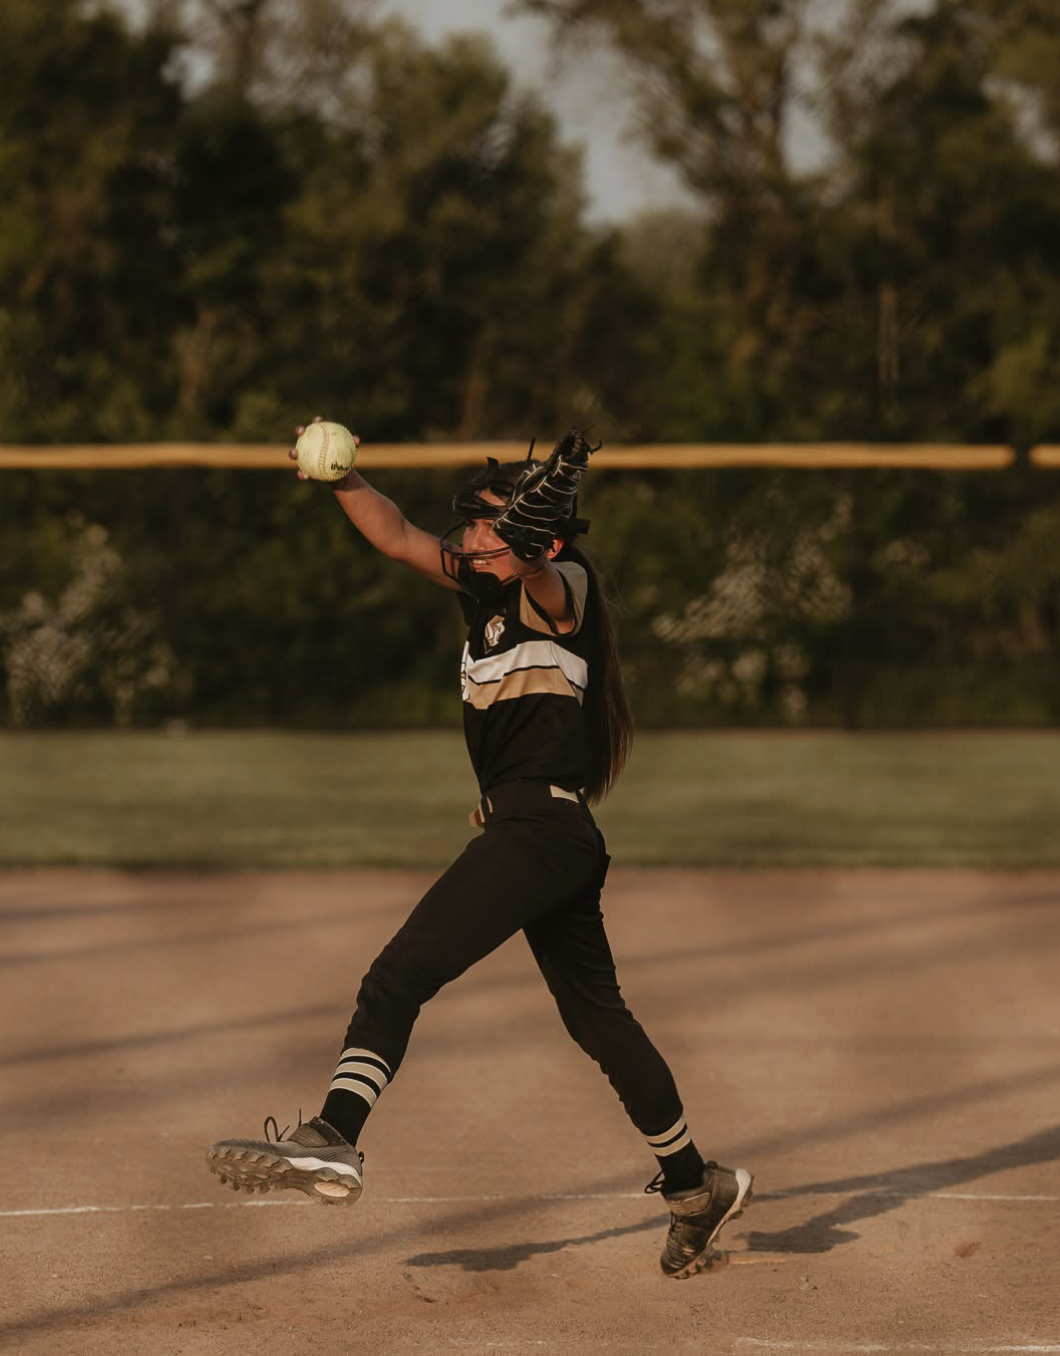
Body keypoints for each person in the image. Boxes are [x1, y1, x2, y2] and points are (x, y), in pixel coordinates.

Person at [206, 421, 753, 1278]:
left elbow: (552, 577)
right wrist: (343, 477)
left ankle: (336, 1136)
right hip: (541, 834)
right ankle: (694, 1187)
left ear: (545, 536)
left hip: (540, 834)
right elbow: (394, 533)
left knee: (398, 974)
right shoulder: (484, 599)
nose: (471, 535)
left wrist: (532, 545)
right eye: (480, 522)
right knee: (597, 1020)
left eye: (495, 523)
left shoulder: (560, 585)